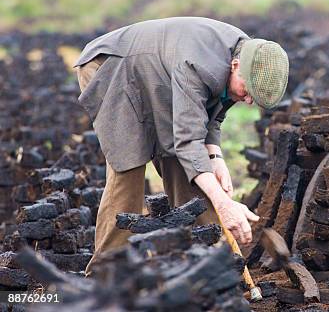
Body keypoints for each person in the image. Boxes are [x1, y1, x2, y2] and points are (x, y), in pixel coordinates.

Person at [74, 17, 289, 275]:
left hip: (157, 75)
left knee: (188, 168)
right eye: (247, 91)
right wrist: (224, 204)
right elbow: (187, 141)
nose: (248, 100)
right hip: (113, 68)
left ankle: (214, 269)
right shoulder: (200, 66)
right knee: (128, 167)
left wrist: (216, 157)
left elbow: (211, 116)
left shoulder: (248, 58)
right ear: (235, 66)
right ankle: (104, 274)